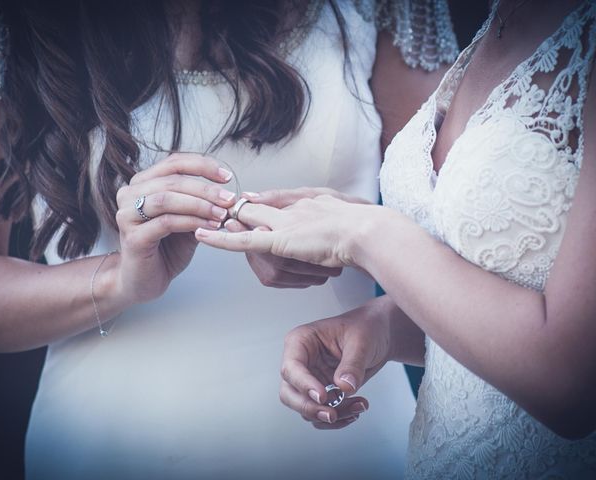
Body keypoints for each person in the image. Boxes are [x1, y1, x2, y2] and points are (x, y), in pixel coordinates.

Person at [0, 0, 459, 478]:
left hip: (346, 430)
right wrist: (119, 279)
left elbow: (469, 239)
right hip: (104, 444)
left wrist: (350, 238)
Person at [196, 0, 596, 477]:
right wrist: (384, 327)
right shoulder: (505, 17)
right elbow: (517, 281)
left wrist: (369, 234)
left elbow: (573, 384)